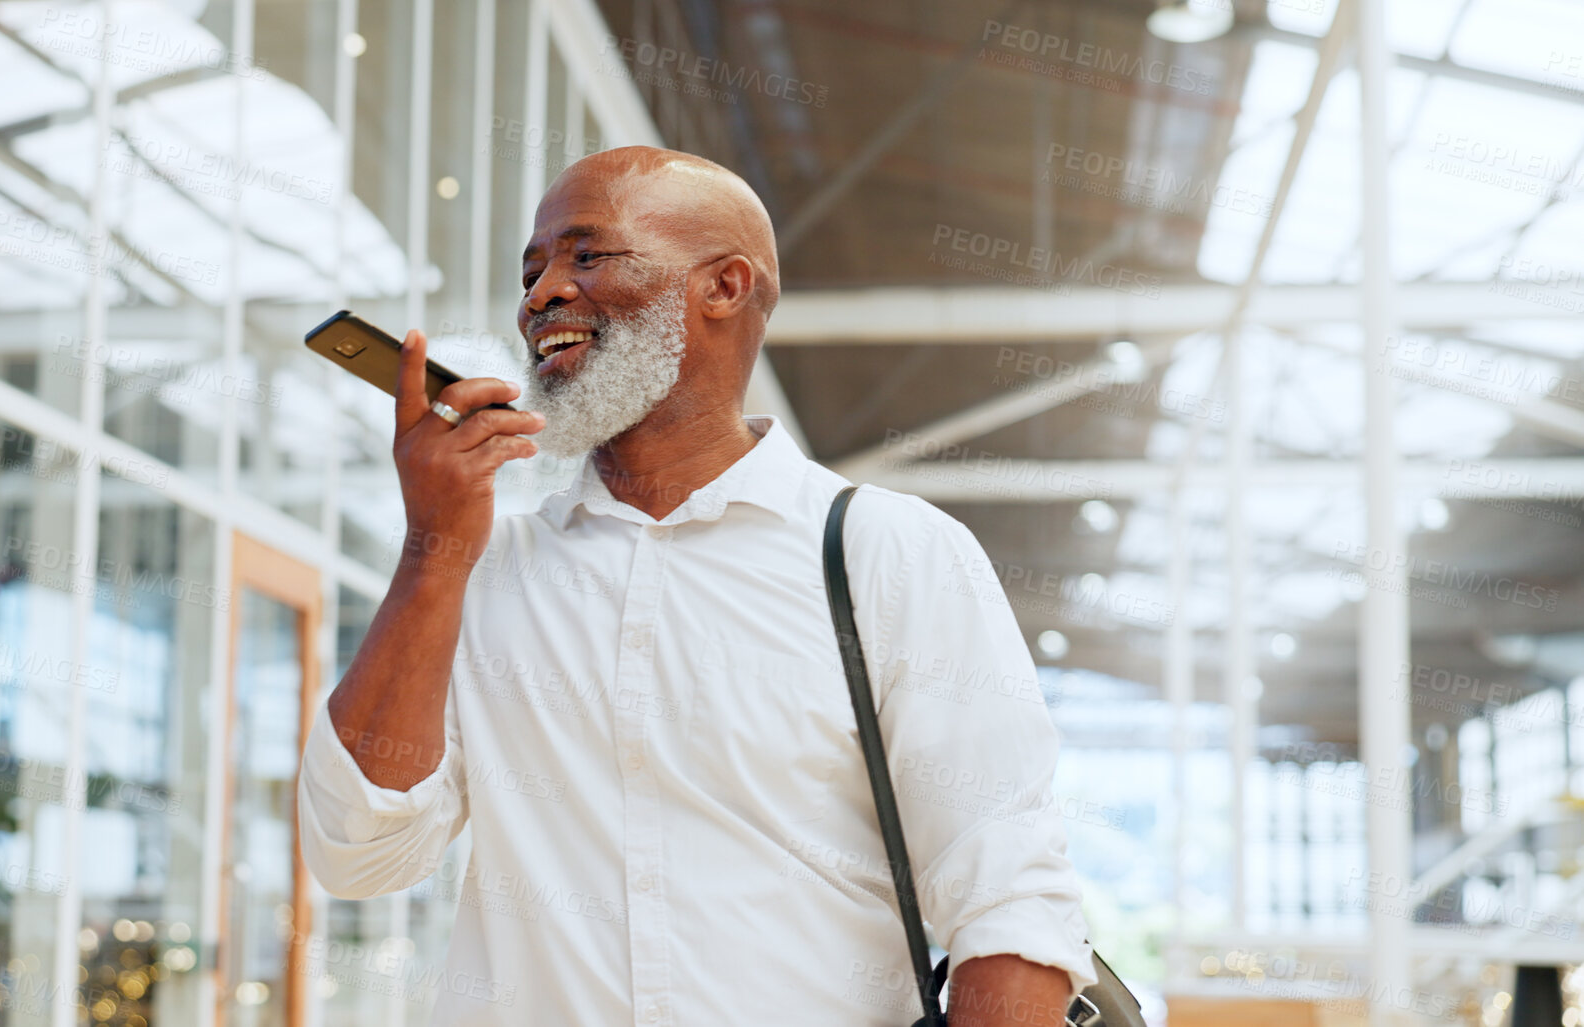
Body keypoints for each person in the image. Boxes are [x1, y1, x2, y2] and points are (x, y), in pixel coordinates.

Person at [298, 145, 1096, 1026]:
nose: (541, 294)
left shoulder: (886, 552)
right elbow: (358, 851)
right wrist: (431, 547)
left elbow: (1007, 898)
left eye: (586, 255)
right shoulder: (481, 568)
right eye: (532, 271)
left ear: (722, 286)